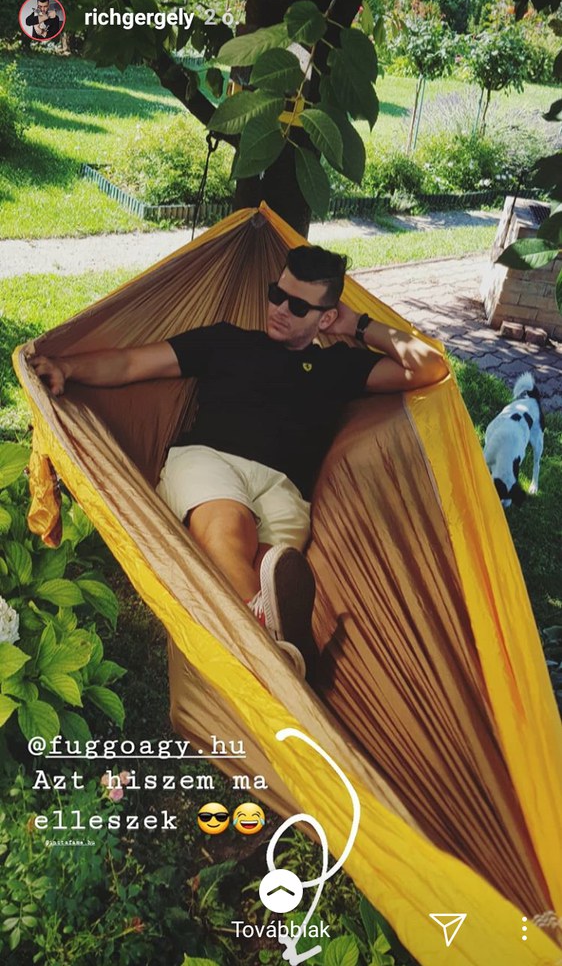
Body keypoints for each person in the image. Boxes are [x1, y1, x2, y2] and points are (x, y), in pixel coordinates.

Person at [29, 245, 448, 678]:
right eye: (277, 294)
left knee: (269, 572)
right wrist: (68, 367)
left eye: (298, 306)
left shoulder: (337, 366)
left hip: (285, 489)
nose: (280, 309)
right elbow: (132, 363)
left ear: (325, 319)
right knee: (229, 531)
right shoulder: (227, 341)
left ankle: (273, 643)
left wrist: (357, 324)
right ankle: (275, 657)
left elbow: (429, 368)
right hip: (210, 460)